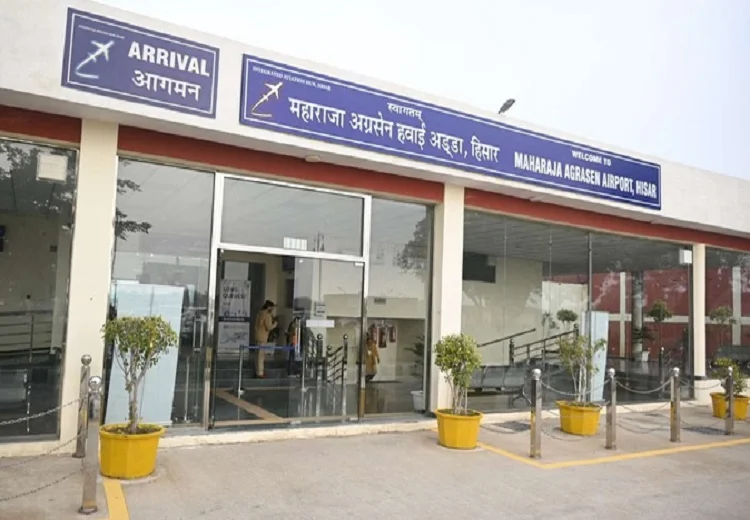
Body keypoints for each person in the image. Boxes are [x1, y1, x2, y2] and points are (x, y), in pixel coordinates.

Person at [253, 300, 277, 378]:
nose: (272, 309)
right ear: (269, 307)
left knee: (257, 355)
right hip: (263, 337)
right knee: (261, 356)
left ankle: (257, 371)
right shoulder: (267, 314)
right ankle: (260, 373)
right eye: (272, 307)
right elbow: (269, 327)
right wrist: (275, 324)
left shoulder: (260, 313)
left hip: (257, 336)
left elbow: (256, 325)